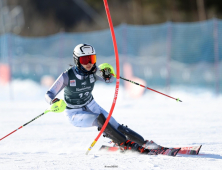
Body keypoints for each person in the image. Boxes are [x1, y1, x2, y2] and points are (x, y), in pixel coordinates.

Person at [45, 44, 159, 154]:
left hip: (91, 105)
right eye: (85, 60)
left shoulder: (94, 71)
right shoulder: (67, 76)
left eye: (92, 58)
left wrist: (108, 74)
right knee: (100, 120)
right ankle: (125, 144)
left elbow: (109, 80)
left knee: (114, 124)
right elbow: (49, 94)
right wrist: (53, 101)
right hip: (74, 113)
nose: (89, 63)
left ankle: (142, 142)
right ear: (77, 60)